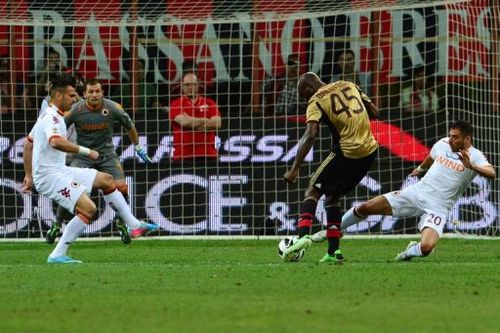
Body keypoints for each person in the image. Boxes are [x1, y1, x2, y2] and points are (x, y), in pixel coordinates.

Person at [21, 73, 158, 264]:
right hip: (50, 176)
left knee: (107, 180)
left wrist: (28, 176)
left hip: (59, 170)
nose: (75, 98)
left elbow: (28, 145)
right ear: (58, 95)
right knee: (89, 209)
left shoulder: (52, 115)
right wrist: (87, 151)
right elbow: (56, 142)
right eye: (71, 95)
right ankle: (57, 254)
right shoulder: (52, 118)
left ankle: (134, 224)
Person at [341, 120, 496, 261]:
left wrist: (472, 166)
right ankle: (335, 229)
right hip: (416, 193)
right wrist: (421, 168)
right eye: (450, 135)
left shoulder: (475, 156)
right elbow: (431, 156)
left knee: (426, 248)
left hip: (438, 207)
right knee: (365, 207)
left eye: (455, 137)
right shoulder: (443, 143)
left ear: (467, 139)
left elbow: (492, 173)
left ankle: (409, 251)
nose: (450, 139)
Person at [282, 72, 379, 263]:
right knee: (333, 197)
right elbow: (375, 112)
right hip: (370, 150)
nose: (306, 100)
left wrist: (294, 168)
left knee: (312, 189)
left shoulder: (316, 100)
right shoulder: (349, 84)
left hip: (347, 150)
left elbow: (310, 135)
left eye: (304, 96)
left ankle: (302, 238)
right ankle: (333, 252)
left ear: (309, 88)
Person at [169, 72, 222, 160]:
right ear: (182, 86)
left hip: (208, 154)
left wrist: (191, 121)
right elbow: (185, 122)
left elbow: (217, 124)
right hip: (183, 156)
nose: (190, 87)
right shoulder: (175, 104)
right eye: (187, 85)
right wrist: (205, 120)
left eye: (193, 84)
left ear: (198, 85)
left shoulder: (210, 103)